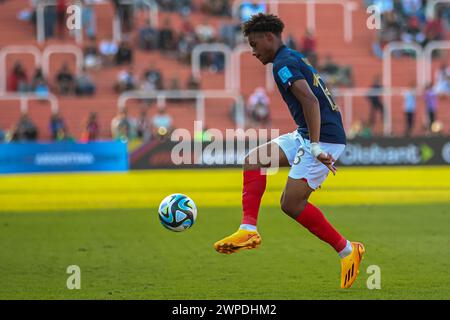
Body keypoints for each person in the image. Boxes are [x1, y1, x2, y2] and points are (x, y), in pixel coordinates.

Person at [213, 13, 365, 289]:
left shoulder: (283, 64)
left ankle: (347, 250)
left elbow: (309, 100)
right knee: (254, 160)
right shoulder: (291, 57)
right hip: (307, 133)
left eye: (254, 44)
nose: (252, 51)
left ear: (269, 37)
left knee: (291, 204)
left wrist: (316, 145)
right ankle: (248, 230)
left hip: (324, 138)